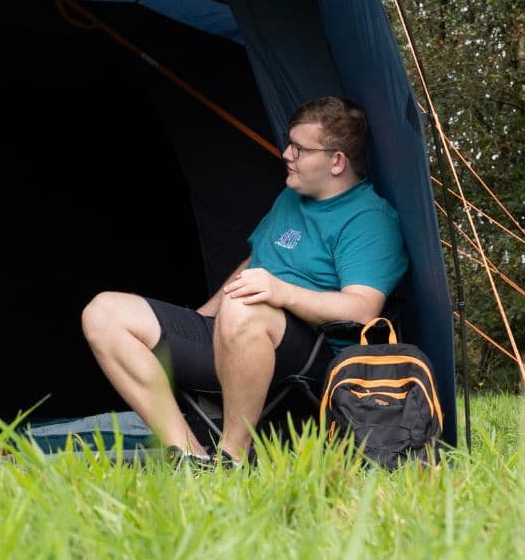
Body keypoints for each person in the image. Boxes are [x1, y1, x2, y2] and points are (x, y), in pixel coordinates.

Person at [81, 96, 408, 468]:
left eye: (300, 148)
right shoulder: (292, 198)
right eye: (290, 143)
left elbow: (363, 310)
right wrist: (203, 317)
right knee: (104, 312)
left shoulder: (368, 219)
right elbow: (254, 263)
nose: (287, 154)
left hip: (314, 355)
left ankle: (232, 458)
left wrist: (280, 292)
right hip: (235, 330)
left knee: (245, 307)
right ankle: (189, 456)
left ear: (337, 161)